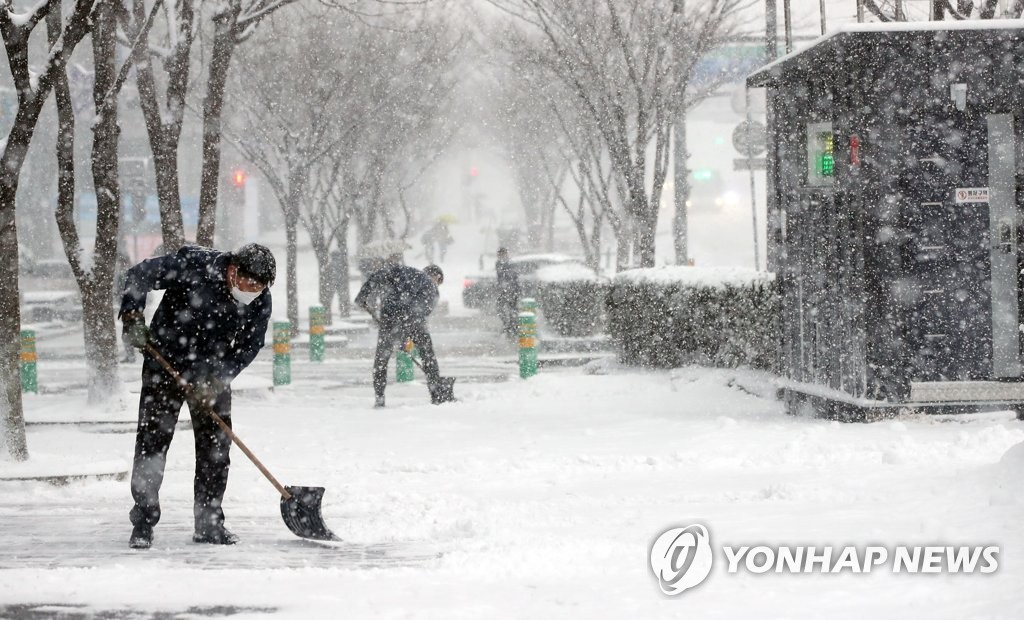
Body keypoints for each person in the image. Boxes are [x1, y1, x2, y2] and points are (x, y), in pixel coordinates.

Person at [118, 243, 276, 550]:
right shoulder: (194, 265)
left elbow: (249, 345)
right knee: (152, 444)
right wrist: (132, 314)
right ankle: (143, 520)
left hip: (211, 373)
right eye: (249, 284)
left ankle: (209, 523)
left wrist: (218, 379)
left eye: (260, 287)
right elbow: (138, 276)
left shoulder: (259, 300)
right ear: (233, 270)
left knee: (215, 449)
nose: (252, 291)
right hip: (164, 363)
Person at [355, 263, 453, 407]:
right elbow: (418, 313)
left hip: (389, 315)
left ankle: (379, 397)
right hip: (411, 320)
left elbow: (378, 274)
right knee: (428, 355)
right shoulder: (432, 288)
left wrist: (363, 294)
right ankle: (436, 393)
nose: (437, 286)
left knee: (381, 359)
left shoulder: (403, 271)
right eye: (439, 283)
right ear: (437, 277)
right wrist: (404, 334)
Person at [495, 247, 520, 341]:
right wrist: (500, 286)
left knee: (512, 309)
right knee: (500, 308)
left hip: (512, 290)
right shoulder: (498, 263)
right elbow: (499, 277)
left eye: (502, 254)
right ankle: (508, 326)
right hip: (504, 290)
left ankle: (512, 328)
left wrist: (510, 287)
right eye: (499, 255)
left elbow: (513, 277)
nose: (500, 256)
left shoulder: (510, 263)